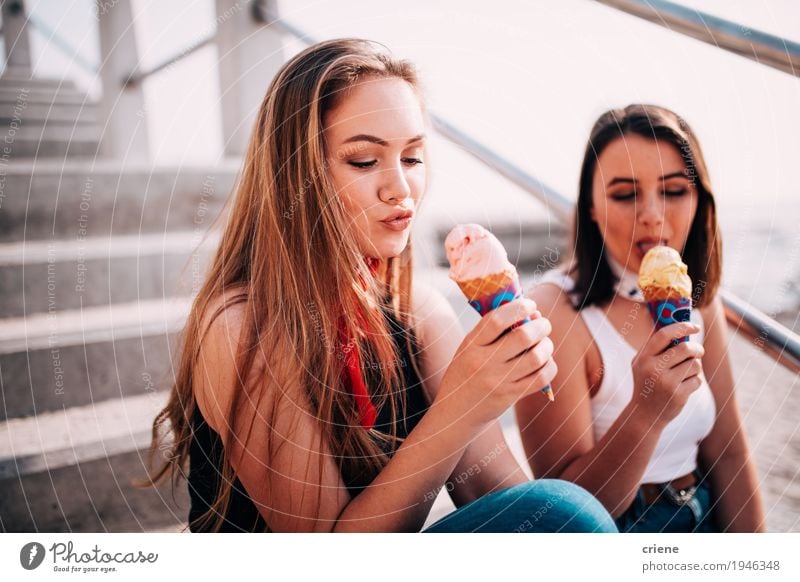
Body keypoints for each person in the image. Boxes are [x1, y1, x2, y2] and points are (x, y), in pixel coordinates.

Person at [143, 39, 616, 533]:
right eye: (365, 161)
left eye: (412, 157)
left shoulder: (416, 313)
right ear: (296, 178)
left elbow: (509, 501)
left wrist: (497, 392)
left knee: (563, 515)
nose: (401, 187)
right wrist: (462, 406)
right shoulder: (240, 328)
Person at [515, 104, 766, 533]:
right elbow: (561, 519)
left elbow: (728, 454)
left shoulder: (697, 299)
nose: (651, 214)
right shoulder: (554, 313)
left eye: (673, 191)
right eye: (625, 194)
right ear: (590, 207)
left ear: (700, 200)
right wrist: (646, 413)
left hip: (703, 513)